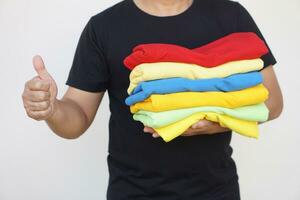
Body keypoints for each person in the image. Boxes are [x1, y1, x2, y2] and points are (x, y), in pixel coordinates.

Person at [21, 0, 283, 199]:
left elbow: (272, 102)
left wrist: (220, 120)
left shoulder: (231, 16)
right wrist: (52, 109)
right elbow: (78, 115)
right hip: (132, 192)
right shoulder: (104, 27)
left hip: (217, 191)